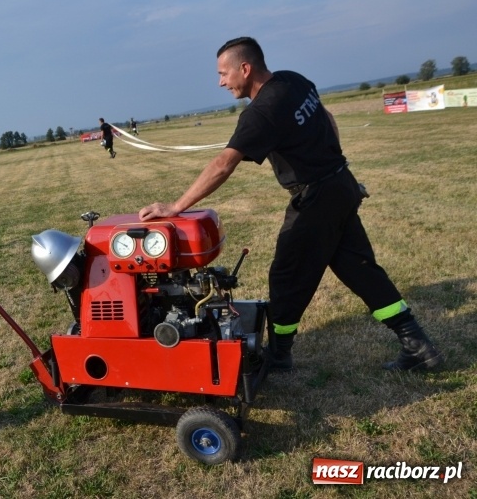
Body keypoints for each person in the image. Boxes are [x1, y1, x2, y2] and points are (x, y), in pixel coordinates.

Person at [139, 36, 443, 373]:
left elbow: (223, 164)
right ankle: (418, 346)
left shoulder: (261, 113)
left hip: (316, 198)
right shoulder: (294, 81)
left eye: (223, 74)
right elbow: (327, 118)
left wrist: (176, 206)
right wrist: (334, 166)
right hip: (341, 184)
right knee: (360, 269)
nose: (221, 82)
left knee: (286, 277)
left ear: (245, 68)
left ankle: (279, 355)